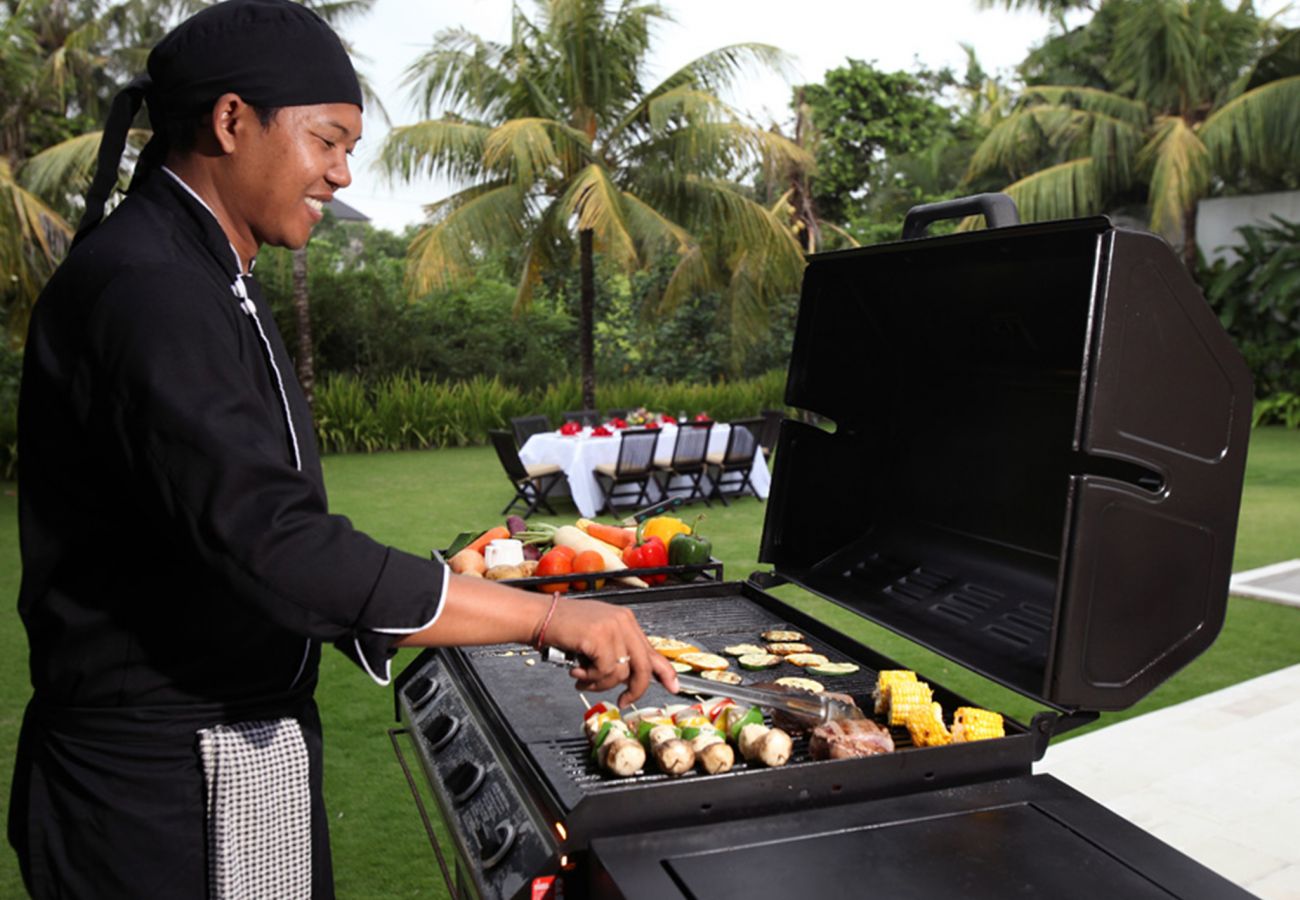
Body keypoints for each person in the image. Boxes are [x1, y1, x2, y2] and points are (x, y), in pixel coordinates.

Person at [8, 1, 678, 897]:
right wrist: (550, 616)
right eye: (327, 141)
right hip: (159, 787)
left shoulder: (203, 273)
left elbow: (249, 520)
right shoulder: (150, 288)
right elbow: (274, 542)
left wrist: (464, 590)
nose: (343, 174)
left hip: (218, 751)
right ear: (231, 120)